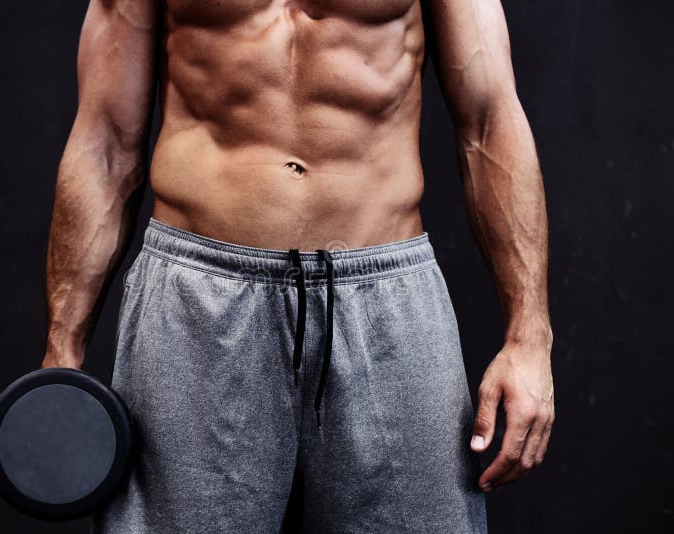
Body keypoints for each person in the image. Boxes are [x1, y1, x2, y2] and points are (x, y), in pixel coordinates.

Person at [41, 0, 555, 532]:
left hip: (386, 299)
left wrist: (529, 340)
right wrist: (63, 348)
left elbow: (489, 123)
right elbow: (105, 144)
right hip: (197, 301)